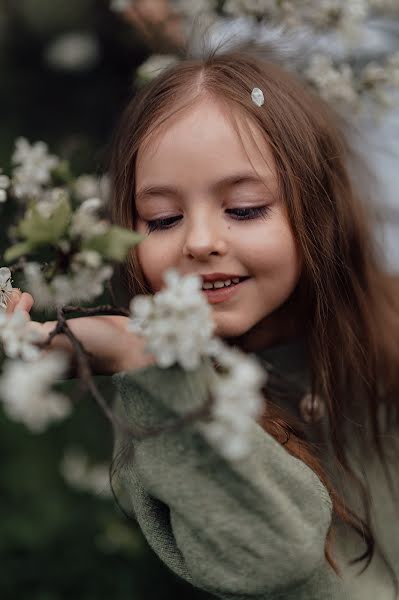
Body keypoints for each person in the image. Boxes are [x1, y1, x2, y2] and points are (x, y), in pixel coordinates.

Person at [8, 43, 399, 599]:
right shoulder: (166, 411)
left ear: (320, 210)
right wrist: (142, 356)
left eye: (244, 209)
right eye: (163, 219)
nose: (199, 242)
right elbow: (273, 557)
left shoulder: (383, 342)